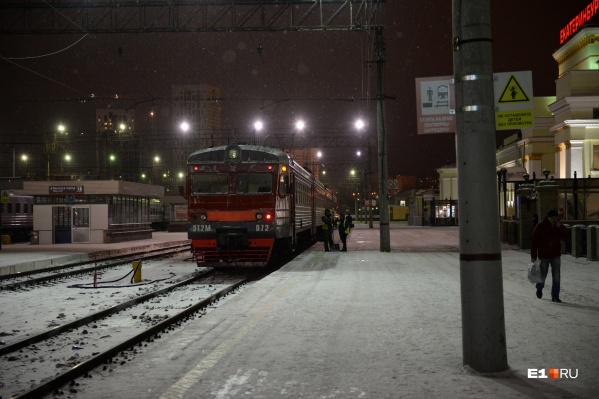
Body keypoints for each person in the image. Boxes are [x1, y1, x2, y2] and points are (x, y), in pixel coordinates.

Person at [530, 209, 568, 302]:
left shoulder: (557, 226)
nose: (555, 219)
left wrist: (561, 227)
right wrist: (533, 255)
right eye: (554, 218)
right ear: (549, 218)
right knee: (543, 275)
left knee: (556, 276)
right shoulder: (541, 226)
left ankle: (555, 296)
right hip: (544, 255)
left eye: (556, 218)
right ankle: (539, 288)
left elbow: (566, 237)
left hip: (555, 254)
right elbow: (534, 241)